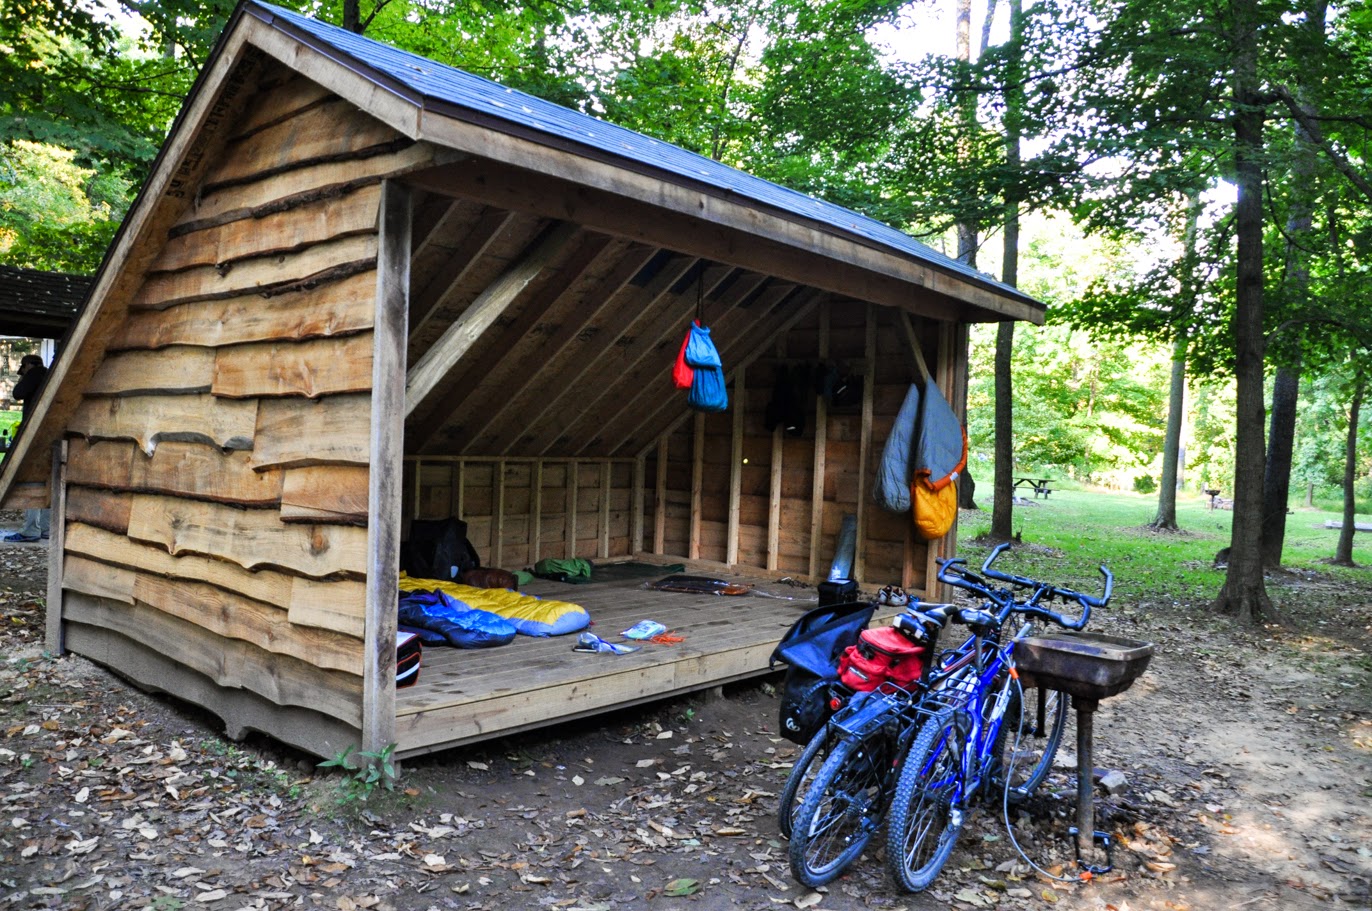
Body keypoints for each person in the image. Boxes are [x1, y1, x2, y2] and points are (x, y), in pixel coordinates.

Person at [4, 354, 50, 543]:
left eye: (23, 368)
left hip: (35, 435)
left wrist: (25, 376)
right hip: (49, 432)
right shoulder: (48, 374)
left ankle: (31, 529)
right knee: (48, 481)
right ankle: (46, 528)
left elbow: (17, 393)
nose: (22, 372)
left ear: (28, 365)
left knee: (32, 481)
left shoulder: (35, 374)